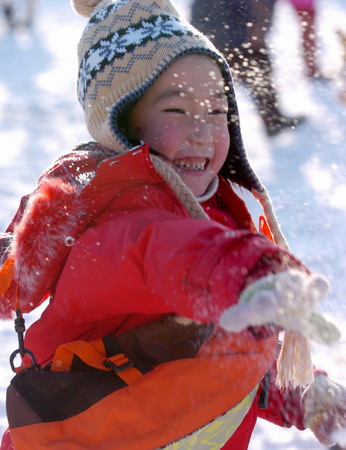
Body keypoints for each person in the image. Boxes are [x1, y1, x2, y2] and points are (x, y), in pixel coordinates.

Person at [0, 0, 345, 448]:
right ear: (122, 123)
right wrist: (246, 270)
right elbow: (167, 253)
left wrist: (304, 394)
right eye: (177, 112)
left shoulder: (212, 211)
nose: (203, 132)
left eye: (217, 112)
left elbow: (214, 354)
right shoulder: (114, 222)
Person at [190, 0, 306, 137]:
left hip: (210, 32)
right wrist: (257, 29)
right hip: (234, 32)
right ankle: (272, 120)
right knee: (256, 68)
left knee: (211, 84)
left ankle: (197, 126)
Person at [285, 0, 323, 78]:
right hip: (304, 4)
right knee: (308, 33)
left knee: (308, 33)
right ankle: (311, 67)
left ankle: (310, 66)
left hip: (305, 4)